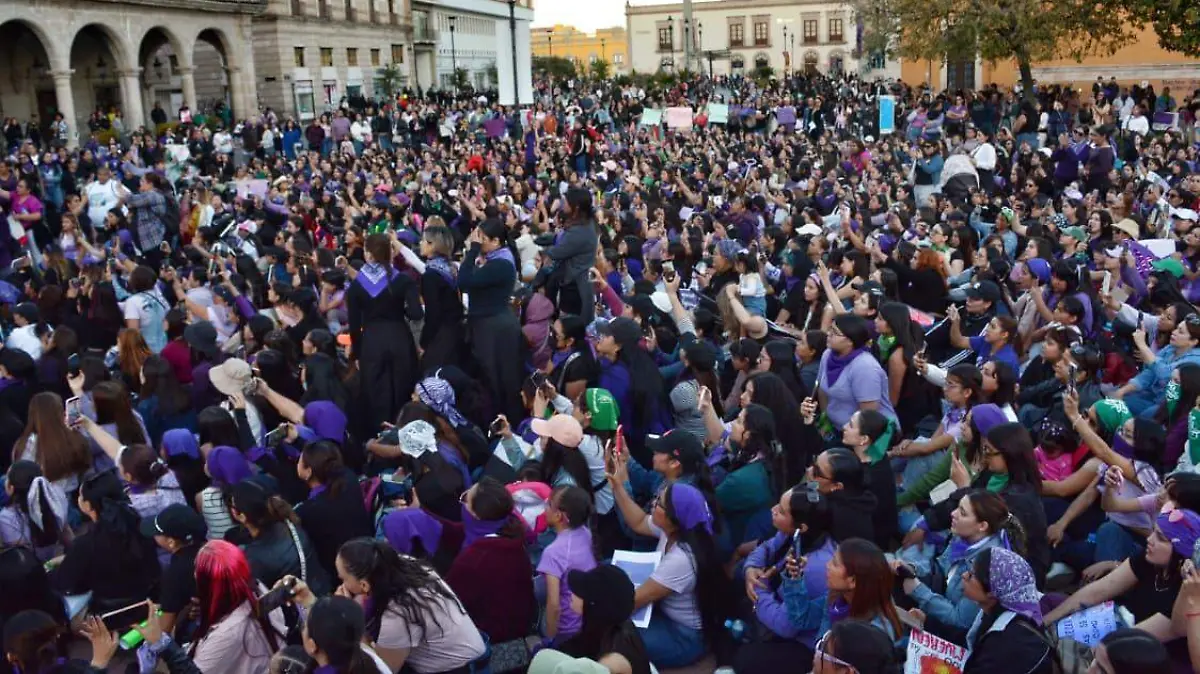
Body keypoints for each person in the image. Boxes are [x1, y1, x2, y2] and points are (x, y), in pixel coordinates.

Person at [607, 452, 725, 668]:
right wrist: (618, 486)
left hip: (683, 636)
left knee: (614, 639)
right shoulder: (675, 529)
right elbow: (640, 522)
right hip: (663, 612)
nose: (653, 506)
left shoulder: (682, 558)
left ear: (675, 519)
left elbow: (632, 601)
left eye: (659, 504)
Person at [328, 538, 489, 674]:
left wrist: (354, 620)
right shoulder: (403, 565)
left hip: (459, 669)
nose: (342, 584)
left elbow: (383, 669)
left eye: (344, 579)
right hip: (470, 649)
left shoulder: (398, 613)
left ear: (364, 585)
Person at [52, 470, 160, 617]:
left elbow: (67, 583)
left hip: (109, 615)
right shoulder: (139, 526)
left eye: (80, 496)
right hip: (147, 604)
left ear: (88, 505)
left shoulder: (86, 545)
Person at [346, 233, 422, 433]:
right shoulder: (403, 280)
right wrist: (400, 311)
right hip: (399, 337)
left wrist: (357, 354)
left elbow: (354, 325)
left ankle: (380, 437)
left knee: (376, 393)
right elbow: (416, 313)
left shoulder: (357, 285)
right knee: (404, 387)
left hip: (372, 342)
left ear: (368, 254)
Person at [458, 218, 526, 422]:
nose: (478, 242)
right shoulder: (493, 259)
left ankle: (507, 423)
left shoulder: (501, 263)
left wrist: (472, 250)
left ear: (496, 241)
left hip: (496, 328)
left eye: (482, 239)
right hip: (489, 323)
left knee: (500, 380)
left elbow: (465, 282)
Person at [957, 548, 1054, 674]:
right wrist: (927, 620)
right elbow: (975, 640)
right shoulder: (1001, 610)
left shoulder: (1006, 644)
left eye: (971, 575)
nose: (964, 575)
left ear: (992, 593)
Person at [228, 480, 331, 596]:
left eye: (233, 506)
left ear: (241, 516)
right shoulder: (289, 523)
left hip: (302, 606)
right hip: (322, 590)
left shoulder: (254, 557)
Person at [294, 441, 373, 577]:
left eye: (299, 460)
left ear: (308, 472)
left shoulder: (308, 512)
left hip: (343, 571)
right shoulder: (349, 478)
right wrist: (297, 439)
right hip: (369, 550)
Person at [816, 315, 898, 431]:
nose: (828, 334)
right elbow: (822, 391)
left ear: (850, 341)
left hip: (866, 434)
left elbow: (868, 415)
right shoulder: (828, 354)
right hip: (836, 427)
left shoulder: (865, 367)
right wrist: (825, 421)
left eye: (835, 332)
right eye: (830, 329)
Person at [0, 461, 69, 561]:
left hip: (28, 569)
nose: (5, 480)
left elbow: (19, 555)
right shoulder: (57, 498)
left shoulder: (5, 518)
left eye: (7, 478)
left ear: (11, 488)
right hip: (51, 558)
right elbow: (66, 532)